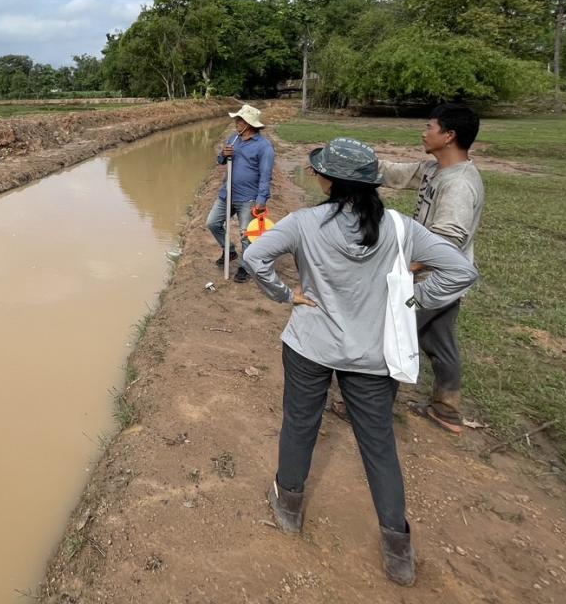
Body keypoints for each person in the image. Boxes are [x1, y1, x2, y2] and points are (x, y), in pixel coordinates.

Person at [242, 138, 478, 586]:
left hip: (310, 344)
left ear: (328, 180)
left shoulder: (304, 223)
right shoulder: (401, 228)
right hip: (373, 354)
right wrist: (411, 299)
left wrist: (284, 293)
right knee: (379, 445)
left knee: (299, 425)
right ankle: (397, 548)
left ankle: (288, 508)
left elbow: (255, 257)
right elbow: (461, 271)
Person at [329, 102, 484, 434]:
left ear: (449, 135)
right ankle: (447, 409)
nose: (423, 132)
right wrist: (355, 163)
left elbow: (449, 241)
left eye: (430, 127)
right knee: (439, 341)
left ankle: (367, 408)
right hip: (441, 283)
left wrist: (404, 266)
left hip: (430, 282)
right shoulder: (434, 170)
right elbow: (394, 173)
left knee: (389, 337)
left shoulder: (459, 185)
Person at [205, 104, 274, 280]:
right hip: (227, 193)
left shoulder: (264, 147)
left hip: (248, 199)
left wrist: (261, 200)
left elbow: (266, 176)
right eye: (237, 119)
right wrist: (224, 154)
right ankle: (229, 250)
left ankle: (246, 266)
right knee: (212, 223)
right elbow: (221, 160)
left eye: (240, 120)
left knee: (246, 234)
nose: (236, 122)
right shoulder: (233, 138)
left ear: (249, 124)